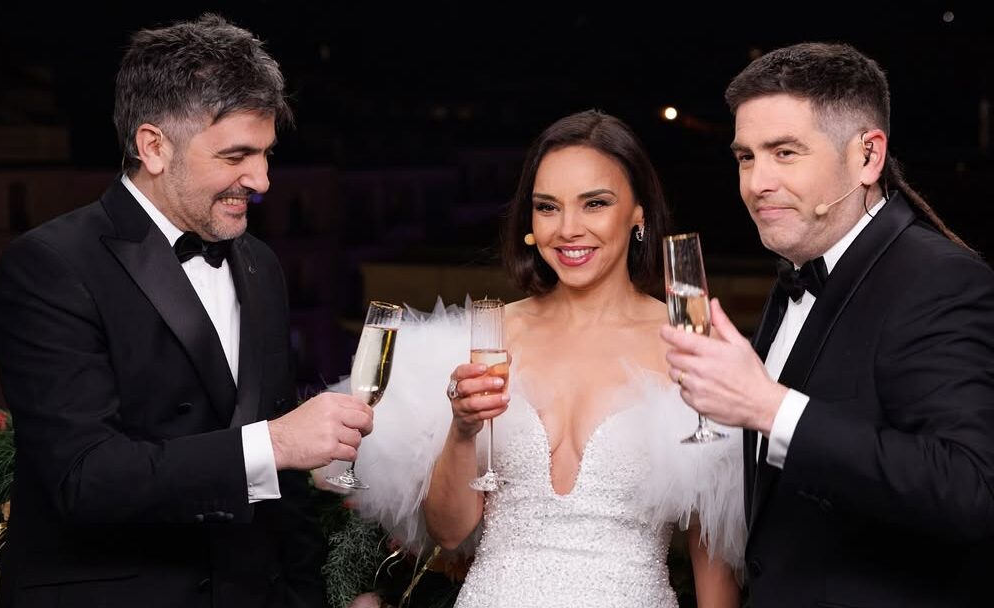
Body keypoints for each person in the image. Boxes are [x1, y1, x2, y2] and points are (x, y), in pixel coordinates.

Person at [0, 14, 373, 608]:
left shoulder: (261, 265)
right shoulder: (48, 264)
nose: (263, 179)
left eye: (267, 154)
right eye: (237, 155)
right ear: (153, 146)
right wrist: (270, 444)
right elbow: (84, 480)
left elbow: (284, 499)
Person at [329, 110, 744, 607]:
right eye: (548, 207)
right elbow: (449, 530)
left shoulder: (684, 343)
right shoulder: (491, 336)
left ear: (640, 213)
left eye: (595, 204)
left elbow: (711, 554)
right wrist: (462, 430)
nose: (568, 229)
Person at [660, 42, 994, 607]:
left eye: (784, 152)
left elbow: (971, 490)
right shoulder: (798, 271)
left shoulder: (939, 278)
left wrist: (767, 406)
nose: (756, 182)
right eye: (746, 157)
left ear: (867, 156)